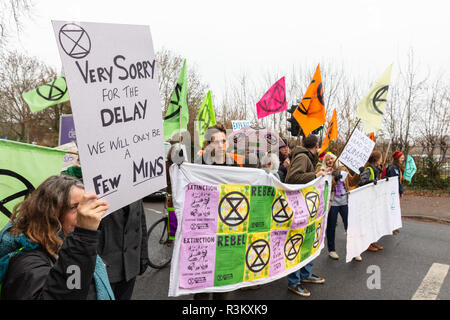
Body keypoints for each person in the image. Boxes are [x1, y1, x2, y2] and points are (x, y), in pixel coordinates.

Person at [0, 175, 114, 300]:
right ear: (51, 214)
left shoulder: (69, 244)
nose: (84, 212)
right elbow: (69, 291)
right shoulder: (27, 263)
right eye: (75, 207)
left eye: (85, 205)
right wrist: (84, 236)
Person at [193, 123, 238, 300]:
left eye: (223, 141)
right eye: (216, 142)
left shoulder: (234, 165)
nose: (221, 145)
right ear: (207, 145)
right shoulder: (198, 165)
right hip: (203, 231)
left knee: (222, 282)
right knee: (202, 286)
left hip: (226, 230)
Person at [285, 134, 331, 297]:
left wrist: (321, 173)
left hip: (308, 207)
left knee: (309, 240)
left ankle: (305, 275)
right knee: (297, 244)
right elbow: (292, 178)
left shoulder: (308, 157)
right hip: (299, 208)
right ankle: (294, 281)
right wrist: (315, 176)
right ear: (316, 145)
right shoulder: (303, 157)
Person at [97, 200, 149, 300]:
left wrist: (143, 257)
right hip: (104, 270)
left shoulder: (135, 189)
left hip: (130, 269)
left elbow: (141, 224)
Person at [318, 152, 361, 261]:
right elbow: (324, 187)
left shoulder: (343, 168)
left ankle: (355, 250)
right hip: (333, 203)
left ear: (335, 158)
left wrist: (358, 174)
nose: (330, 161)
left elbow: (351, 182)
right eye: (327, 160)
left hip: (345, 201)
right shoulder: (323, 171)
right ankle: (332, 250)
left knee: (350, 226)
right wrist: (334, 179)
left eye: (331, 158)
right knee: (331, 227)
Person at [358, 150, 384, 252]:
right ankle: (367, 243)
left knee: (374, 222)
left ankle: (373, 242)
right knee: (368, 223)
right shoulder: (369, 170)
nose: (381, 160)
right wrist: (370, 181)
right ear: (377, 160)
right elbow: (362, 182)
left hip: (374, 199)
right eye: (380, 158)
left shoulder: (377, 169)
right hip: (367, 200)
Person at [386, 150, 405, 235]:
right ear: (397, 158)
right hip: (392, 193)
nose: (403, 158)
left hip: (394, 192)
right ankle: (391, 227)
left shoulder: (397, 168)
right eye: (401, 157)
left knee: (394, 209)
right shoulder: (393, 168)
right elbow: (395, 181)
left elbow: (398, 180)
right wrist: (401, 191)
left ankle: (393, 227)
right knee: (392, 209)